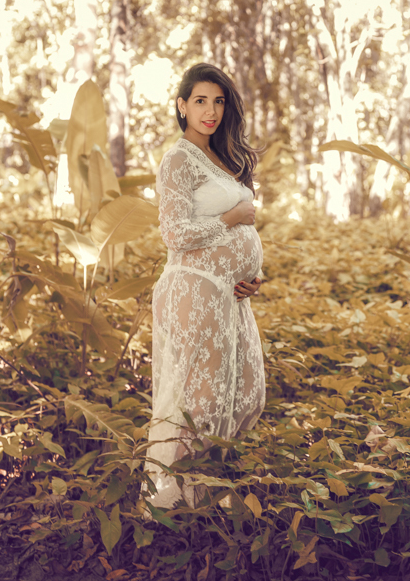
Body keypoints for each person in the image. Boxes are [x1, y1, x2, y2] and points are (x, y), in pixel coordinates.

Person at [142, 63, 265, 512]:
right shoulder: (178, 158)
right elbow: (175, 235)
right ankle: (168, 499)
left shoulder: (222, 157)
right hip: (192, 292)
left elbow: (235, 236)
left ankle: (195, 489)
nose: (211, 111)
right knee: (200, 400)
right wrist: (233, 219)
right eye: (200, 101)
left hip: (226, 296)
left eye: (218, 101)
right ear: (182, 106)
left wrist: (250, 275)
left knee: (245, 390)